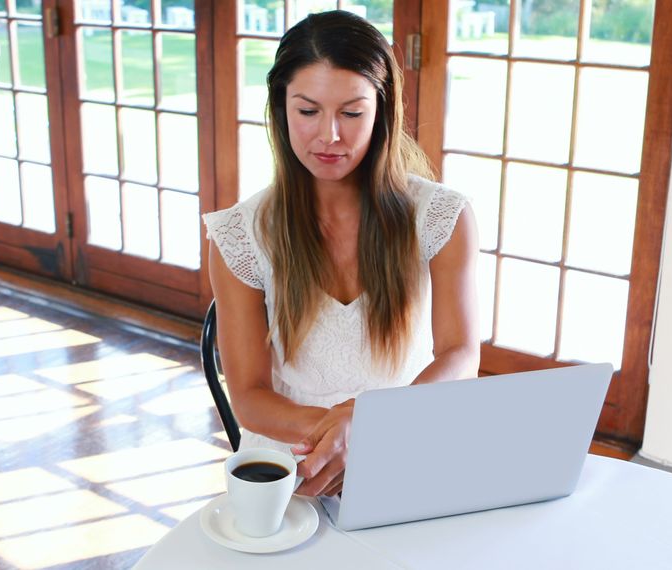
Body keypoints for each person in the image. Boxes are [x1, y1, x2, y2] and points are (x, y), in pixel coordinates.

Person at [204, 10, 480, 498]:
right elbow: (248, 396)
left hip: (408, 442)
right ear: (280, 109)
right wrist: (345, 432)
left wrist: (371, 427)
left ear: (382, 110)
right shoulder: (240, 235)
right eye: (307, 111)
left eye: (351, 113)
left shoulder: (442, 217)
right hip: (289, 464)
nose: (329, 135)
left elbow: (461, 354)